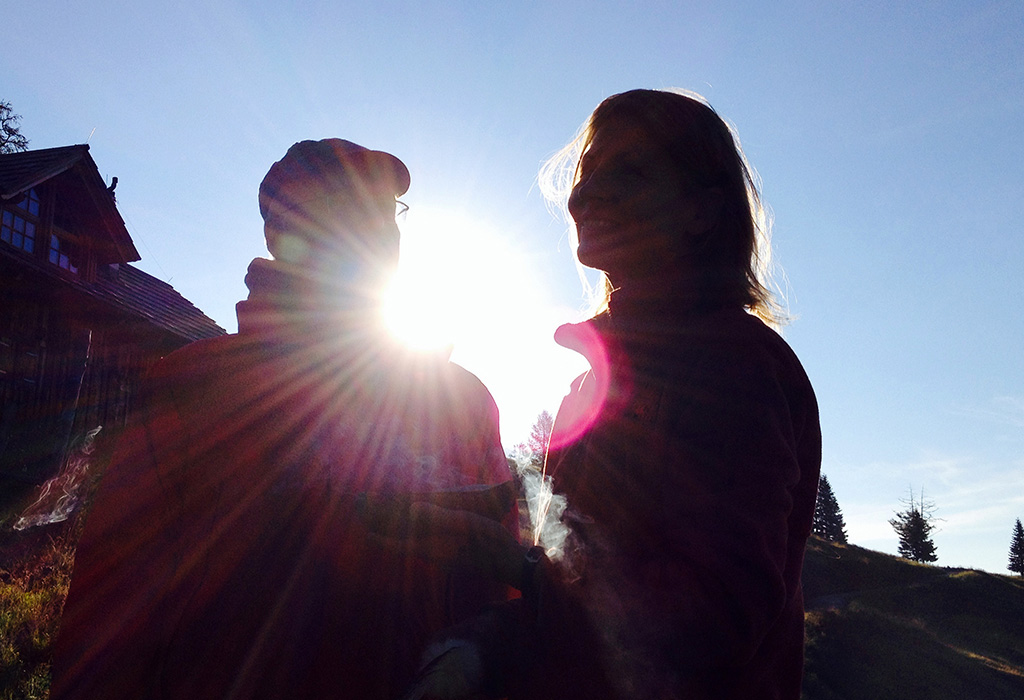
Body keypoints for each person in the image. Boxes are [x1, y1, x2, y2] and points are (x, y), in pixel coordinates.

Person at [386, 89, 821, 700]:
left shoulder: (731, 365)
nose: (588, 195)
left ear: (702, 210)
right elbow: (588, 591)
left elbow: (710, 625)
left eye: (632, 172)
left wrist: (513, 568)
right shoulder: (600, 379)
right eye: (587, 174)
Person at [51, 139, 515, 700]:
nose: (375, 226)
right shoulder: (196, 386)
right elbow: (110, 616)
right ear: (279, 233)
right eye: (342, 203)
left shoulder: (462, 401)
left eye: (385, 210)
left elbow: (501, 600)